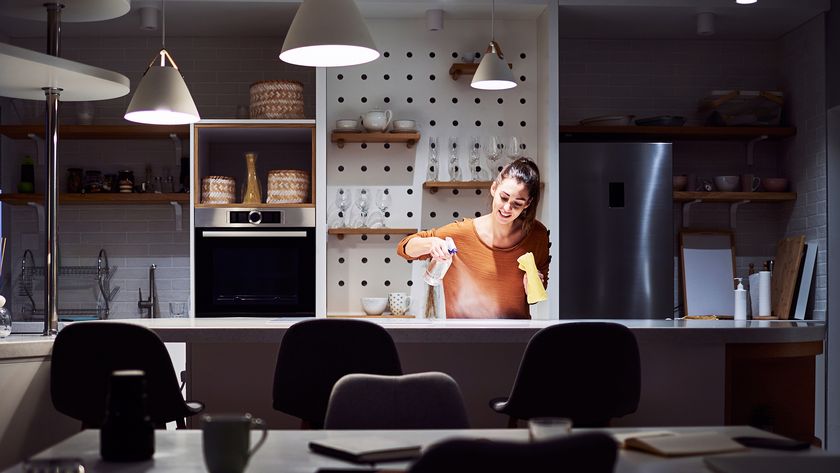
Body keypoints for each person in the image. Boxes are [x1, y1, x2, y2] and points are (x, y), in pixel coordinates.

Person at [397, 157, 549, 319]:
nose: (507, 208)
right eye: (503, 198)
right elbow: (405, 248)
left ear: (528, 204)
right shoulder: (460, 233)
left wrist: (535, 284)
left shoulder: (537, 235)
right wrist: (431, 243)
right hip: (463, 339)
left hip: (516, 339)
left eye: (517, 203)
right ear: (493, 188)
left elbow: (537, 294)